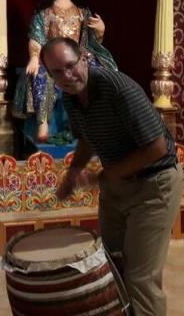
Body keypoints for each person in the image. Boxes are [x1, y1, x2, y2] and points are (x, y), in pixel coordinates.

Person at [44, 37, 182, 316]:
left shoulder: (118, 88)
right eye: (57, 72)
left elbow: (159, 148)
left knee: (140, 278)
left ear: (83, 57)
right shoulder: (71, 97)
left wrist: (104, 176)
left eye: (71, 66)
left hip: (154, 187)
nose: (67, 76)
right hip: (117, 188)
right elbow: (87, 139)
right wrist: (73, 172)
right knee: (111, 267)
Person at [13, 0, 116, 142]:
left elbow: (90, 39)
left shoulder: (82, 12)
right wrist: (35, 57)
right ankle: (43, 123)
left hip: (77, 56)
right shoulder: (45, 13)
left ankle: (90, 123)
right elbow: (36, 37)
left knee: (95, 74)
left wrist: (100, 30)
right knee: (42, 76)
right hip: (51, 58)